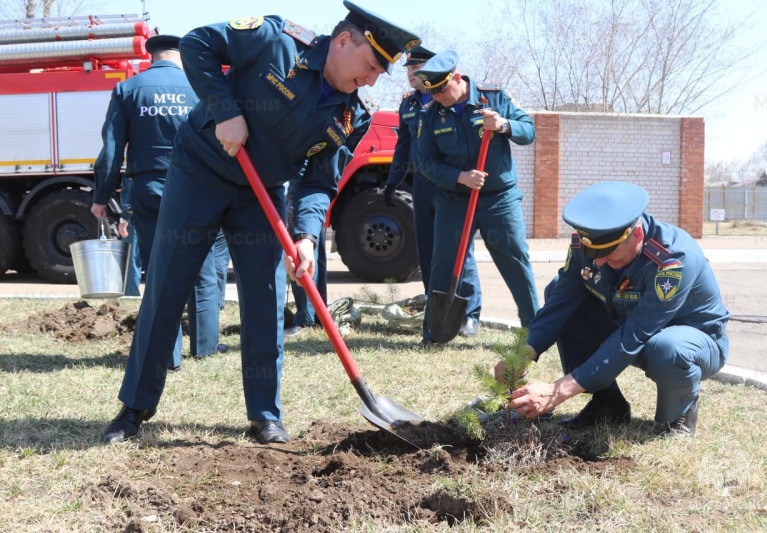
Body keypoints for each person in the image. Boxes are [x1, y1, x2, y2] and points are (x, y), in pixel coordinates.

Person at [101, 2, 420, 445]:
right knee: (168, 283)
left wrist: (307, 236)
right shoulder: (275, 41)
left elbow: (319, 183)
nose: (369, 79)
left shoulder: (351, 117)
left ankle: (265, 414)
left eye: (377, 74)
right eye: (369, 66)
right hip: (202, 171)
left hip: (263, 192)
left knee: (266, 298)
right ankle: (135, 407)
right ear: (344, 41)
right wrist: (225, 111)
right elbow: (197, 45)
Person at [498, 181, 730, 438]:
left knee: (666, 348)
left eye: (608, 253)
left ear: (638, 235)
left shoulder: (672, 260)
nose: (598, 262)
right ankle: (607, 405)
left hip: (694, 341)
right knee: (557, 290)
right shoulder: (588, 245)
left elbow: (635, 334)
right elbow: (561, 301)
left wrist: (556, 392)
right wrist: (523, 353)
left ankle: (678, 418)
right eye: (593, 253)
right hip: (629, 325)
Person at [90, 34, 224, 366]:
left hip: (149, 191)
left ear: (153, 57)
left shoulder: (129, 89)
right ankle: (205, 347)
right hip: (199, 189)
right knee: (203, 267)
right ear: (181, 56)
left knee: (159, 270)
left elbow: (111, 151)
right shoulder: (202, 87)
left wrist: (101, 196)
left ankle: (168, 353)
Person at [415, 50, 540, 347]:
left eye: (443, 89)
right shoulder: (431, 114)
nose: (439, 97)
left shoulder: (493, 97)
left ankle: (536, 331)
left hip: (500, 199)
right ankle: (434, 333)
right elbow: (424, 162)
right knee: (442, 265)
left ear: (457, 77)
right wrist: (459, 176)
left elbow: (529, 131)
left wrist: (503, 125)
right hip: (455, 199)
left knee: (516, 262)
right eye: (433, 92)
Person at [384, 46, 482, 338]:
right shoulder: (409, 105)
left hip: (451, 183)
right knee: (427, 250)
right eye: (409, 70)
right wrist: (393, 181)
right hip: (423, 185)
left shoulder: (450, 101)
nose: (411, 74)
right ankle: (437, 309)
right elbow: (403, 147)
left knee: (460, 251)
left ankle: (470, 314)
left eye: (417, 69)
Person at [284, 172, 328, 337]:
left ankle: (305, 318)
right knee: (312, 239)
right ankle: (318, 313)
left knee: (301, 243)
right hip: (311, 178)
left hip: (299, 175)